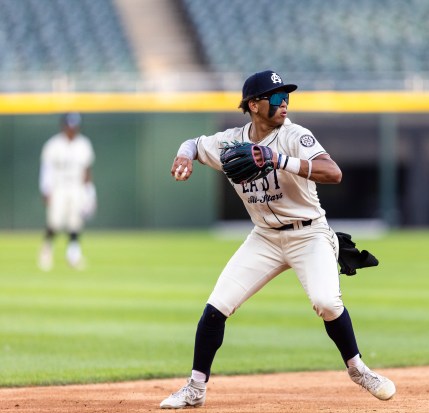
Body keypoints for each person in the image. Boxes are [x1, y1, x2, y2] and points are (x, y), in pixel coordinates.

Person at [159, 70, 396, 409]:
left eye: (286, 96)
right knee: (216, 308)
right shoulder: (230, 142)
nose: (284, 103)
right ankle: (195, 389)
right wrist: (184, 155)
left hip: (309, 233)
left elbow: (334, 172)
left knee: (327, 303)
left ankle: (358, 369)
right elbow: (195, 144)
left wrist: (278, 160)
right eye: (275, 97)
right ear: (253, 105)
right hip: (264, 238)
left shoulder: (295, 136)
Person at [38, 112, 96, 271]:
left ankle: (73, 255)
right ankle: (46, 249)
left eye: (74, 126)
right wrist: (45, 189)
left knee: (75, 222)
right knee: (54, 222)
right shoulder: (53, 145)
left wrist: (90, 193)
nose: (72, 129)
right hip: (58, 187)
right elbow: (46, 170)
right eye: (69, 126)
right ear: (63, 126)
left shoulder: (83, 144)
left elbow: (87, 171)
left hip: (76, 187)